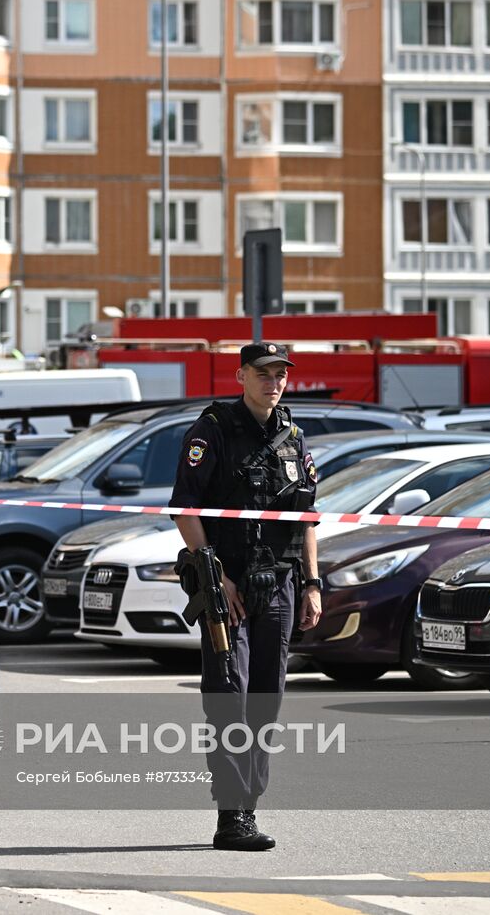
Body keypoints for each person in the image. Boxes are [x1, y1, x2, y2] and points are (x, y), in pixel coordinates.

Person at [169, 342, 322, 851]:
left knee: (266, 700)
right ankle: (231, 817)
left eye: (281, 373)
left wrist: (312, 583)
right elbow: (185, 510)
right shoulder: (211, 430)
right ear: (240, 375)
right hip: (226, 589)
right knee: (229, 699)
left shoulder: (293, 436)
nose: (273, 381)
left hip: (277, 585)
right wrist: (218, 576)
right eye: (263, 372)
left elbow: (305, 519)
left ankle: (249, 807)